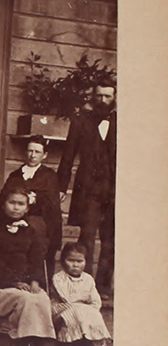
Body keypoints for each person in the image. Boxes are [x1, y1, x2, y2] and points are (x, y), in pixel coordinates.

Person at [0, 186, 59, 346]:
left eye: (20, 204)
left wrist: (34, 280)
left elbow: (36, 259)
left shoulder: (31, 232)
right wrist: (14, 282)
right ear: (3, 205)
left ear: (27, 208)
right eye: (12, 203)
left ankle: (41, 345)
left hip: (23, 285)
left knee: (41, 297)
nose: (16, 207)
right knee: (27, 299)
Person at [58, 79, 117, 298]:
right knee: (87, 236)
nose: (103, 100)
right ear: (93, 96)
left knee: (111, 238)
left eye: (108, 96)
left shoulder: (123, 122)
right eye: (99, 95)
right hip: (89, 190)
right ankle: (85, 285)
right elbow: (67, 156)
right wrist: (61, 187)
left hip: (115, 190)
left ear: (114, 98)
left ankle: (103, 286)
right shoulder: (80, 121)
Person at [0, 135, 62, 286]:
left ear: (44, 155)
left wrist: (36, 199)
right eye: (30, 151)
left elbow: (52, 205)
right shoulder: (15, 175)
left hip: (39, 221)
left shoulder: (49, 176)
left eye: (37, 152)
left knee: (36, 238)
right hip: (13, 220)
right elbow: (2, 199)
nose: (32, 155)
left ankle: (37, 283)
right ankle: (13, 281)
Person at [51, 243, 111, 346]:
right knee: (76, 311)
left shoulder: (88, 279)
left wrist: (87, 307)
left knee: (91, 313)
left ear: (85, 262)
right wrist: (84, 296)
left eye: (79, 261)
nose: (75, 265)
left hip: (81, 310)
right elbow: (66, 298)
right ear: (63, 261)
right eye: (71, 260)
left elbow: (95, 301)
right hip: (61, 309)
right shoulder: (59, 278)